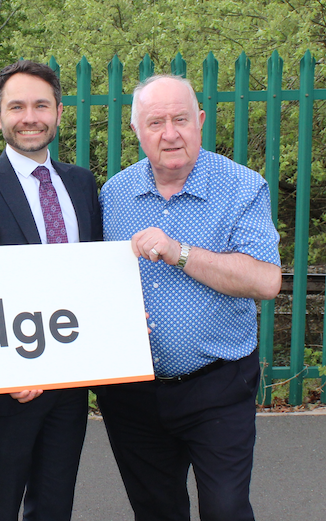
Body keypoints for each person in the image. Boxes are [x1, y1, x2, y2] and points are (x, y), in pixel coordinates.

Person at [96, 74, 282, 521]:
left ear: (199, 121)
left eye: (180, 119)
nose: (170, 133)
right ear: (136, 130)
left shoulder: (241, 186)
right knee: (156, 511)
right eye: (155, 122)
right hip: (133, 394)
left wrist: (180, 253)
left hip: (216, 384)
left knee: (226, 509)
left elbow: (265, 281)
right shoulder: (113, 194)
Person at [0, 60, 103, 521]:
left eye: (40, 105)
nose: (29, 116)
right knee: (0, 503)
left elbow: (93, 273)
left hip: (70, 377)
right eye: (16, 106)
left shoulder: (80, 183)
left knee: (55, 503)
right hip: (11, 382)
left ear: (58, 111)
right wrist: (2, 372)